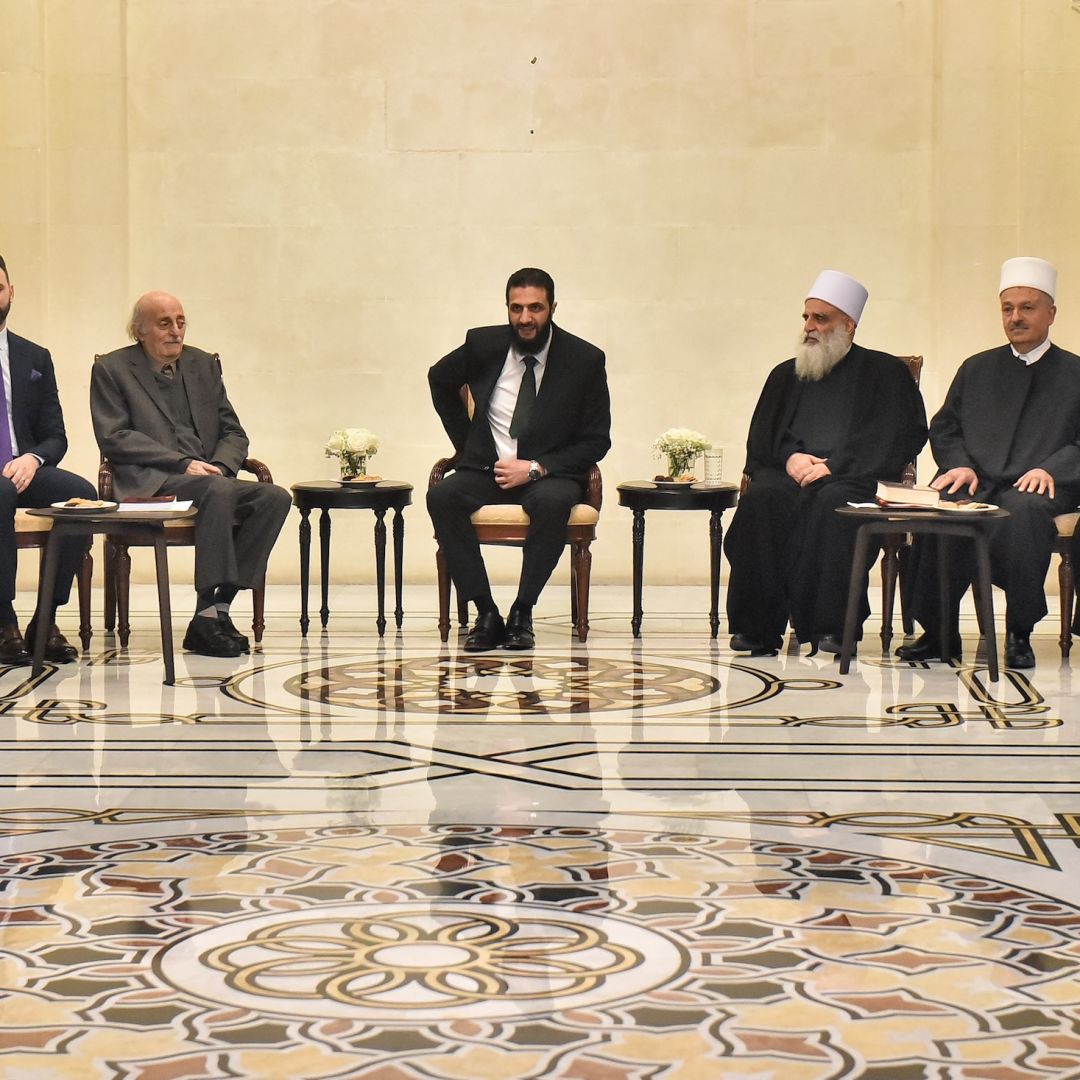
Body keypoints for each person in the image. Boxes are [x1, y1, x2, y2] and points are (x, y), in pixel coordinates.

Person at [724, 270, 928, 656]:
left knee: (832, 505)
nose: (810, 327)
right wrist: (791, 458)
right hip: (790, 476)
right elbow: (763, 435)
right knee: (762, 499)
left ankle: (834, 625)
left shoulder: (884, 373)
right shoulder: (786, 374)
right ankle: (757, 627)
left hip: (853, 476)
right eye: (806, 317)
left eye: (821, 318)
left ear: (848, 325)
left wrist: (836, 465)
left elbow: (899, 435)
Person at [897, 257, 1080, 670]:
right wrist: (959, 464)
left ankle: (1019, 633)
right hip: (979, 479)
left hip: (1045, 486)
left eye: (1027, 308)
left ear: (1051, 313)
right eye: (1007, 308)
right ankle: (939, 632)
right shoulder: (977, 368)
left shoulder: (1075, 372)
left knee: (1023, 513)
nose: (1016, 317)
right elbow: (945, 427)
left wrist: (1052, 468)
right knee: (943, 501)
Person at [90, 292, 292, 658]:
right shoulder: (113, 369)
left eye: (181, 322)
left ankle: (216, 609)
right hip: (151, 481)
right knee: (217, 490)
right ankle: (207, 613)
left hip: (208, 479)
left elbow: (234, 432)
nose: (175, 331)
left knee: (274, 497)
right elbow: (114, 437)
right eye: (164, 323)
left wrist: (223, 467)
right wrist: (182, 463)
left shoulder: (203, 364)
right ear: (139, 330)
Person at [428, 267, 610, 651]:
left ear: (553, 308)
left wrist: (536, 467)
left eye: (535, 308)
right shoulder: (483, 344)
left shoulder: (584, 359)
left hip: (548, 473)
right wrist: (466, 444)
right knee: (443, 496)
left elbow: (597, 440)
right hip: (488, 468)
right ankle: (486, 612)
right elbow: (439, 378)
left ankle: (522, 613)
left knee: (553, 501)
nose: (525, 319)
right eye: (516, 308)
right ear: (507, 308)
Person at [0, 254, 97, 666]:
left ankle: (46, 617)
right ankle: (3, 621)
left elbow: (56, 435)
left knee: (83, 494)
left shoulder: (34, 357)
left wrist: (34, 458)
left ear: (11, 292)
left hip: (21, 469)